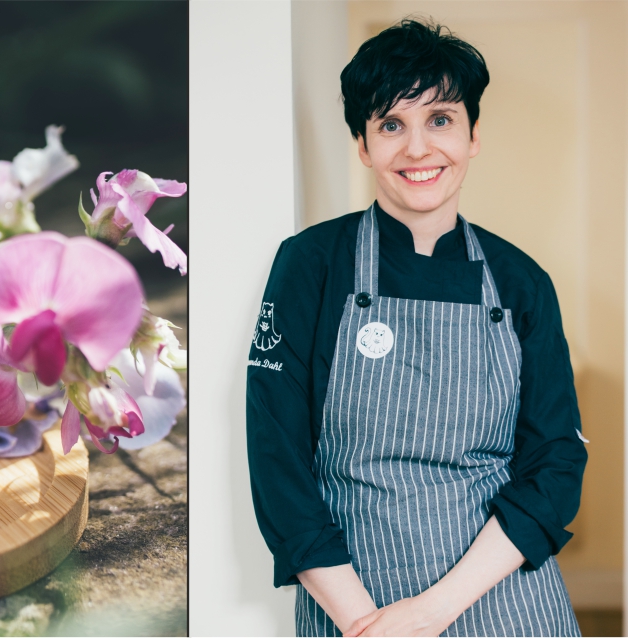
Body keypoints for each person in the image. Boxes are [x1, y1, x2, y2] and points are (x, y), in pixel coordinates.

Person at [247, 18, 584, 637]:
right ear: (364, 144)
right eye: (391, 124)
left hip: (503, 597)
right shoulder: (311, 263)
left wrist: (428, 615)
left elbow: (556, 463)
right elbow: (278, 460)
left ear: (474, 134)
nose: (418, 149)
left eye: (440, 120)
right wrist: (368, 624)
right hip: (355, 601)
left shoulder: (522, 283)